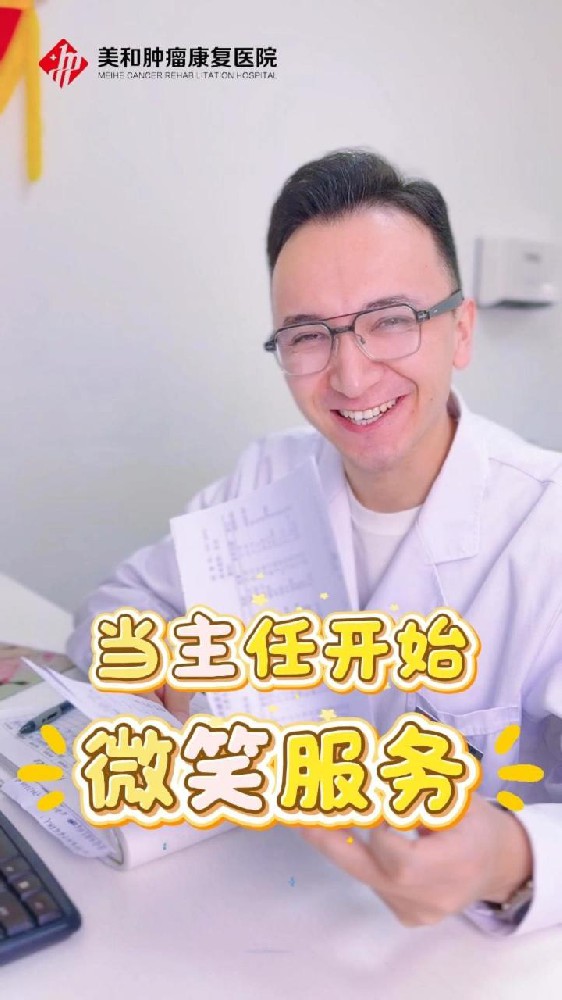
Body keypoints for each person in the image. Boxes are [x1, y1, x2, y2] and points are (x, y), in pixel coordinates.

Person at [67, 149, 562, 937]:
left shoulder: (546, 527)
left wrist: (506, 858)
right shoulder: (262, 478)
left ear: (460, 331)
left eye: (391, 321)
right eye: (307, 335)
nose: (351, 377)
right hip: (255, 920)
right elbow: (115, 610)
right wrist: (187, 685)